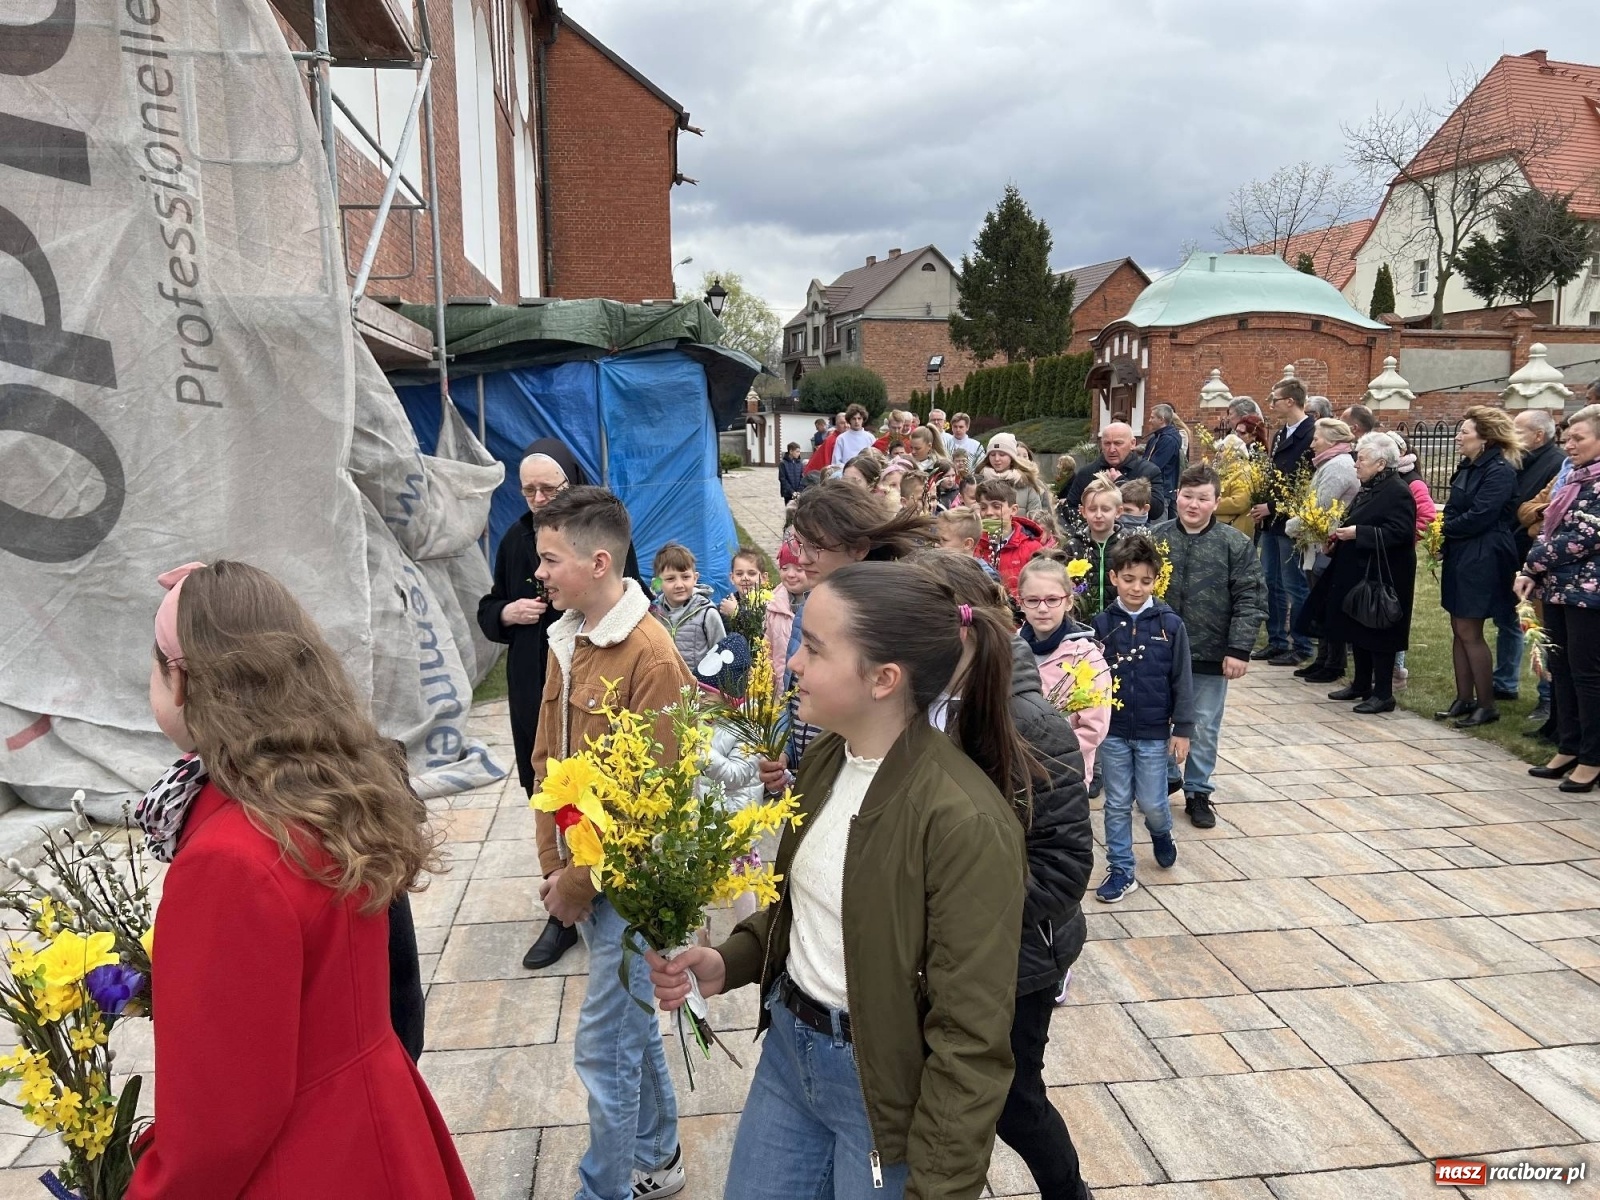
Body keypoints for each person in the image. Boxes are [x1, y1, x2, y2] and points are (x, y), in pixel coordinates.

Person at [648, 561, 1029, 1200]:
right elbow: (810, 904)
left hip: (879, 1093)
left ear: (883, 679)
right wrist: (729, 960)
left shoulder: (963, 822)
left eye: (815, 648)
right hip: (789, 1056)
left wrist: (940, 1187)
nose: (793, 663)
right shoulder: (829, 756)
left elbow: (970, 1038)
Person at [132, 561, 472, 1198]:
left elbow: (218, 1127)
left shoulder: (229, 859)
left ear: (182, 682)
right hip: (376, 1118)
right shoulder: (328, 790)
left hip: (305, 1164)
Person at [530, 487, 695, 1200]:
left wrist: (579, 882)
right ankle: (658, 1156)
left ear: (599, 563)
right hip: (580, 874)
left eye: (550, 559)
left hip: (629, 883)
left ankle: (604, 1190)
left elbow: (650, 803)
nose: (539, 572)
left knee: (604, 1048)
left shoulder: (650, 656)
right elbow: (549, 761)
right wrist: (553, 865)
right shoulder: (566, 637)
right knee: (628, 1032)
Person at [936, 552, 1095, 1200]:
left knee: (1014, 1100)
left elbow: (1063, 865)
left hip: (1020, 955)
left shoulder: (1028, 722)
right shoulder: (923, 706)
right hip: (951, 952)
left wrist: (963, 915)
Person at [478, 439, 642, 972]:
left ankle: (591, 893)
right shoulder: (515, 538)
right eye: (528, 490)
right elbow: (489, 605)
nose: (538, 499)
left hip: (593, 681)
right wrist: (507, 612)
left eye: (549, 489)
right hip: (536, 678)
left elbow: (627, 592)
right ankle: (562, 902)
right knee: (546, 781)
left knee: (595, 789)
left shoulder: (595, 534)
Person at [778, 483, 936, 774]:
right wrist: (785, 750)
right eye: (799, 544)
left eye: (816, 547)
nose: (801, 559)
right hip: (813, 768)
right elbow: (792, 692)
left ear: (860, 548)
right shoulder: (812, 605)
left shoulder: (888, 615)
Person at [1152, 464, 1266, 828]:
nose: (1193, 505)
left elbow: (1250, 596)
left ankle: (1198, 790)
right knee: (1157, 717)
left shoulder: (1234, 544)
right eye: (1187, 496)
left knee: (1202, 724)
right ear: (1177, 497)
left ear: (1216, 502)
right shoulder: (1156, 538)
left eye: (1203, 499)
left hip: (1210, 652)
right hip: (1159, 649)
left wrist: (1239, 648)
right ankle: (1167, 774)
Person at [1091, 537, 1193, 902]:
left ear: (1155, 581)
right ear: (1114, 578)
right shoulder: (1102, 625)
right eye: (1129, 579)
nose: (1136, 588)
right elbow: (1090, 678)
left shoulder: (1170, 625)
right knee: (1117, 803)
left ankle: (1161, 832)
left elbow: (1182, 679)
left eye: (1145, 581)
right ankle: (1121, 869)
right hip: (1113, 731)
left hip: (1153, 732)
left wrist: (1182, 729)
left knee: (1151, 801)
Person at [1517, 403, 1600, 791]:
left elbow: (1583, 537)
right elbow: (1546, 528)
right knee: (1562, 669)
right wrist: (1531, 570)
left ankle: (1593, 757)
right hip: (1559, 588)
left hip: (1589, 595)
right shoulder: (1575, 479)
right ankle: (1569, 745)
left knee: (1587, 675)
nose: (1569, 445)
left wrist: (1531, 564)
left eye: (1578, 438)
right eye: (1567, 438)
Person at [1306, 433, 1417, 714]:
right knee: (1358, 626)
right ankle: (1361, 684)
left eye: (1362, 460)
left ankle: (1383, 694)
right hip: (1358, 567)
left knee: (1379, 629)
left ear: (1381, 464)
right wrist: (1337, 540)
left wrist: (1359, 533)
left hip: (1385, 573)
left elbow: (1402, 532)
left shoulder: (1397, 491)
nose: (1356, 464)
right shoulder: (1370, 487)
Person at [1438, 406, 1522, 728]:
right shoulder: (1468, 467)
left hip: (1484, 554)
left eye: (1465, 432)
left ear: (1485, 438)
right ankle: (1464, 697)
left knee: (1470, 629)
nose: (1458, 437)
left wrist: (1445, 529)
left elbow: (1481, 516)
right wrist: (1444, 532)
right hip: (1461, 551)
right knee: (1458, 626)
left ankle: (1487, 704)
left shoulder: (1499, 471)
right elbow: (1453, 508)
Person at [1019, 555, 1112, 788]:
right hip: (1017, 769)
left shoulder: (1086, 657)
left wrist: (1050, 757)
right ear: (1021, 603)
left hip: (1066, 773)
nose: (1042, 608)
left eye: (1052, 600)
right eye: (1032, 600)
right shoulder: (1009, 648)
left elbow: (1094, 727)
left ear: (1068, 601)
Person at [1493, 410, 1565, 703]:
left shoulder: (1556, 463)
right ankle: (1505, 682)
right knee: (1508, 620)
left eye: (1519, 430)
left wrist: (1534, 515)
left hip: (1537, 555)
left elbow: (1550, 514)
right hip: (1510, 550)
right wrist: (1533, 513)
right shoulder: (1514, 460)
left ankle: (1547, 696)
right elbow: (1523, 509)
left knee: (1542, 629)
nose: (1512, 435)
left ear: (1538, 435)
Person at [1286, 418, 1360, 684]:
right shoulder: (1329, 463)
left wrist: (1290, 526)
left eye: (1316, 439)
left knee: (1328, 603)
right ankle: (1324, 659)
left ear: (1332, 440)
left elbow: (1320, 506)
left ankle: (1333, 663)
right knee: (1321, 602)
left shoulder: (1338, 466)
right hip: (1318, 541)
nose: (1312, 444)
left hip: (1328, 544)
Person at [1250, 378, 1316, 666]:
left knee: (1294, 585)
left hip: (1290, 521)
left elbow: (1304, 484)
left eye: (1274, 399)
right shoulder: (1279, 434)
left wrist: (1272, 506)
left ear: (1290, 401)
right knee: (1270, 582)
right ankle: (1276, 639)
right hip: (1271, 522)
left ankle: (1302, 644)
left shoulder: (1311, 433)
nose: (1271, 404)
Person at [1390, 430, 1438, 690]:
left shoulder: (1413, 482)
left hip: (1398, 552)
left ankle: (1397, 669)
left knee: (1394, 608)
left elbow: (1427, 517)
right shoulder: (1384, 478)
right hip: (1381, 551)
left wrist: (1402, 537)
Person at [1061, 422, 1167, 521]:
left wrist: (1122, 483)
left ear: (1132, 443)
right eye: (1107, 443)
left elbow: (1156, 511)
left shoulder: (1148, 471)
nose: (1112, 449)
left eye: (1118, 443)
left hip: (1134, 533)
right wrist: (1093, 522)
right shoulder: (1087, 472)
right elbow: (1070, 509)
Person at [653, 542, 726, 673]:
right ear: (657, 583)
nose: (679, 585)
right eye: (670, 579)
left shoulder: (707, 613)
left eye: (685, 577)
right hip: (664, 681)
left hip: (699, 683)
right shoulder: (653, 613)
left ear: (695, 578)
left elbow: (721, 653)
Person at [975, 477, 1055, 597]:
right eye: (983, 507)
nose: (988, 513)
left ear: (1013, 510)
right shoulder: (974, 546)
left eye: (996, 506)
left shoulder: (1032, 548)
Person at [1066, 476, 1125, 616]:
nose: (1098, 515)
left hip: (1119, 620)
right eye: (1092, 509)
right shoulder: (1072, 547)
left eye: (1105, 509)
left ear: (1118, 511)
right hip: (1081, 621)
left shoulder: (1128, 545)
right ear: (1083, 511)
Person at [981, 432, 1053, 525]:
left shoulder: (1026, 482)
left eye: (1002, 454)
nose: (997, 459)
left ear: (1011, 457)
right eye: (992, 454)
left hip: (1021, 533)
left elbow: (1036, 518)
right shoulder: (979, 481)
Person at [766, 538, 806, 683]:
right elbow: (767, 648)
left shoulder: (818, 606)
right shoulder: (773, 604)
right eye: (784, 568)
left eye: (799, 569)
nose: (790, 574)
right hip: (778, 687)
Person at [1213, 433, 1257, 537]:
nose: (1217, 454)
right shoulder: (1224, 470)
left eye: (1222, 451)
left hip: (1235, 530)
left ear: (1233, 453)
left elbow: (1239, 503)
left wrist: (1211, 504)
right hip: (1223, 528)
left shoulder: (1243, 472)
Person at [1144, 404, 1186, 506]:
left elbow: (1155, 465)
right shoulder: (1156, 437)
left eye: (1152, 417)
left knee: (1161, 516)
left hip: (1163, 489)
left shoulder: (1168, 439)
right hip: (1159, 488)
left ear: (1161, 420)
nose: (1149, 420)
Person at [719, 545, 768, 620]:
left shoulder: (769, 605)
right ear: (732, 578)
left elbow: (759, 626)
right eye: (739, 574)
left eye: (751, 573)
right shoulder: (726, 606)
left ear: (763, 578)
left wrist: (736, 613)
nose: (745, 578)